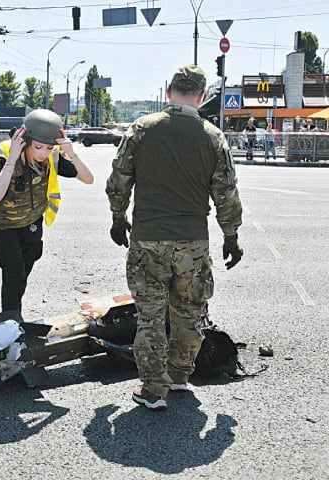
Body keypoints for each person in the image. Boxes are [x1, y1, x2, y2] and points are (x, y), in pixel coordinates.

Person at [106, 65, 243, 410]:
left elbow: (119, 182)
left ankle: (153, 390)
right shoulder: (213, 137)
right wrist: (231, 237)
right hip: (192, 244)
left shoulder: (141, 130)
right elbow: (226, 193)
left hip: (148, 240)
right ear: (202, 96)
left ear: (168, 91)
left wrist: (118, 218)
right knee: (189, 313)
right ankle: (180, 376)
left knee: (150, 316)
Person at [0, 109, 94, 314]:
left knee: (22, 273)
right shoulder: (4, 153)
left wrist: (71, 153)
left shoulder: (52, 156)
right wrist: (12, 158)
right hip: (5, 225)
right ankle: (11, 322)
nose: (42, 153)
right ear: (25, 140)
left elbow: (88, 179)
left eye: (48, 148)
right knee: (14, 274)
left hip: (31, 222)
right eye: (38, 147)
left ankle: (12, 316)